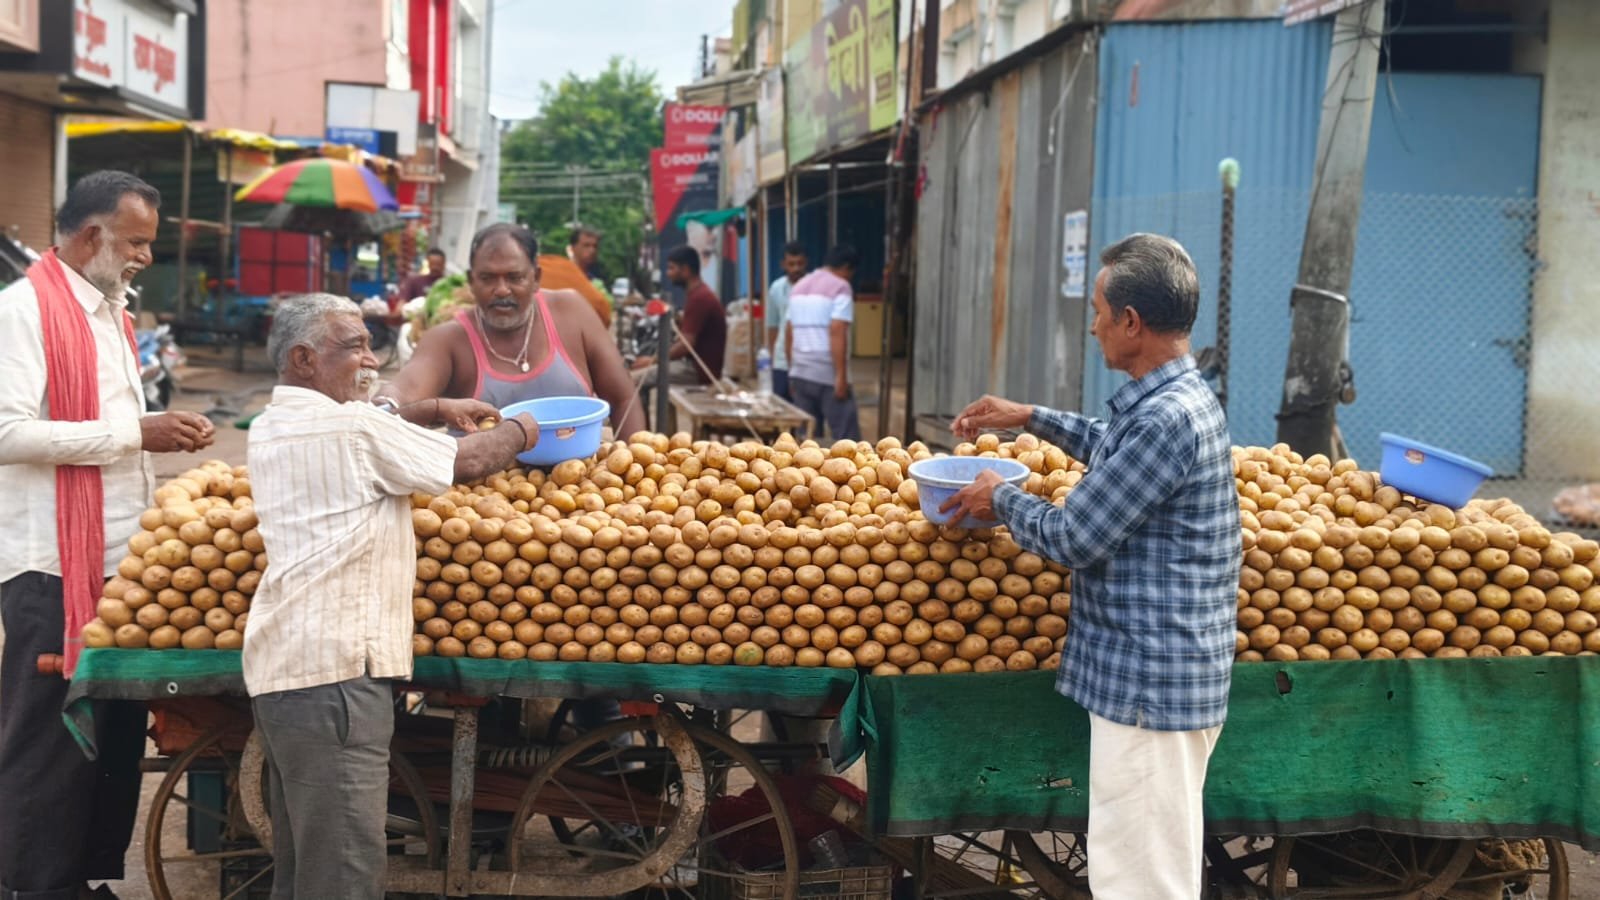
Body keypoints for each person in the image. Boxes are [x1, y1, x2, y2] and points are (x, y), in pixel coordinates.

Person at [940, 234, 1240, 900]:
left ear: (1132, 322)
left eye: (1101, 310)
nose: (1094, 323)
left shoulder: (1164, 418)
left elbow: (1076, 535)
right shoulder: (1177, 399)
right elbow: (1118, 447)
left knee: (1141, 882)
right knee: (1143, 865)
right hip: (1160, 675)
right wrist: (1032, 418)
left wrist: (1002, 499)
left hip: (1150, 683)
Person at [243, 293, 537, 900]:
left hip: (287, 672)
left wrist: (428, 406)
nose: (372, 359)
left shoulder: (276, 420)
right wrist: (527, 427)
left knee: (307, 867)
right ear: (303, 358)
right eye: (354, 347)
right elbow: (473, 458)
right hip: (335, 678)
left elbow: (374, 418)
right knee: (345, 873)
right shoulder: (349, 427)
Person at [0, 170, 218, 900]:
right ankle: (37, 884)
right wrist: (136, 432)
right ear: (92, 235)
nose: (145, 257)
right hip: (50, 567)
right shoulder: (23, 311)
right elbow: (5, 432)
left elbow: (115, 440)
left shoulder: (112, 313)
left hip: (122, 565)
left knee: (113, 735)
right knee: (49, 735)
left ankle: (83, 877)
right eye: (136, 242)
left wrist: (155, 446)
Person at [381, 223, 645, 438]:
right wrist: (388, 403)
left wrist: (634, 467)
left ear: (536, 278)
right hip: (482, 497)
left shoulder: (570, 312)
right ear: (472, 282)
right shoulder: (449, 340)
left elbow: (623, 397)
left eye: (514, 277)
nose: (502, 290)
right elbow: (403, 393)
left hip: (581, 486)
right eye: (487, 278)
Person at [785, 244, 861, 440]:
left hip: (801, 371)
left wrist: (792, 369)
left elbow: (789, 331)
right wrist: (841, 377)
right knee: (847, 442)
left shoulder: (799, 287)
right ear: (846, 268)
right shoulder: (841, 287)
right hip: (827, 372)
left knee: (808, 441)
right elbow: (837, 330)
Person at [633, 244, 726, 389]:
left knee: (633, 379)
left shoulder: (699, 298)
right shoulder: (698, 294)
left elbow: (685, 346)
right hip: (692, 366)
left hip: (697, 371)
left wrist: (652, 360)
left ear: (686, 270)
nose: (668, 273)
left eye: (671, 268)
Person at [538, 226, 612, 327]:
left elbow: (604, 313)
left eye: (595, 246)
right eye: (586, 245)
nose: (592, 250)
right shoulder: (560, 273)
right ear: (573, 247)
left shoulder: (596, 282)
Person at [765, 242, 808, 401]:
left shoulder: (815, 287)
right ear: (783, 265)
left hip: (806, 360)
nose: (796, 268)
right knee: (781, 407)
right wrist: (772, 357)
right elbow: (772, 325)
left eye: (800, 263)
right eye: (791, 264)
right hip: (781, 361)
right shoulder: (776, 288)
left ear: (806, 263)